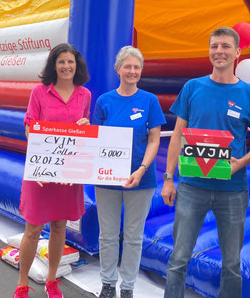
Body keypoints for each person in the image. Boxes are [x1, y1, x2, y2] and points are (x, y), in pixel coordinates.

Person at [161, 27, 250, 298]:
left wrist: (242, 162)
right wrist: (168, 178)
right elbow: (177, 134)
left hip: (232, 190)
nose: (219, 51)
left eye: (225, 46)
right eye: (214, 46)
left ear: (237, 52)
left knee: (232, 264)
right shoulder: (192, 87)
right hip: (191, 186)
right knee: (178, 258)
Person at [13, 43, 91, 298]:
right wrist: (42, 163)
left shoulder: (85, 95)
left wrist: (86, 126)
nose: (66, 66)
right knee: (33, 229)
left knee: (60, 228)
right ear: (53, 66)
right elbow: (29, 127)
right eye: (61, 62)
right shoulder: (39, 92)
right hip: (41, 173)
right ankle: (22, 283)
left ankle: (51, 280)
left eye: (71, 62)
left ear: (77, 65)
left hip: (69, 175)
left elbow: (85, 135)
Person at [92, 46, 166, 298]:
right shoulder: (104, 101)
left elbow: (154, 140)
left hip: (141, 179)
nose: (132, 71)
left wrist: (143, 168)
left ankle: (128, 287)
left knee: (134, 236)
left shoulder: (149, 100)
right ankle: (108, 283)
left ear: (140, 71)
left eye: (136, 67)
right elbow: (96, 138)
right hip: (107, 178)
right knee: (108, 235)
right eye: (128, 67)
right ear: (118, 70)